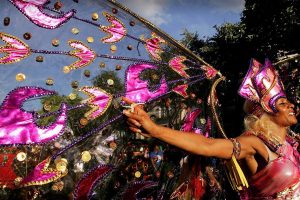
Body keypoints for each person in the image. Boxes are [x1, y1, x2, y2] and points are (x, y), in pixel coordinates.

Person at [122, 59, 300, 199]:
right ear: (265, 112)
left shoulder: (292, 145)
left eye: (289, 102)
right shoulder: (255, 143)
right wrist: (154, 129)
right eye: (283, 103)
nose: (291, 105)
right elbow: (208, 145)